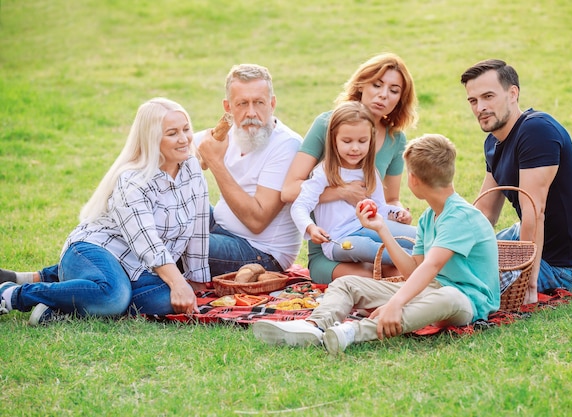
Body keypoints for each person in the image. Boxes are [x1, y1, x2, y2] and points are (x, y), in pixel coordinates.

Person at [252, 134, 500, 354]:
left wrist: (395, 303)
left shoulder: (462, 216)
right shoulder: (428, 217)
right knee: (346, 283)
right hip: (431, 289)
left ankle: (353, 333)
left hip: (468, 301)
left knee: (448, 297)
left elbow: (432, 266)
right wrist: (382, 228)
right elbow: (413, 270)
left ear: (412, 180)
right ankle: (314, 326)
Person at [0, 98, 211, 325]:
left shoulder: (191, 169)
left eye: (186, 129)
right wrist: (179, 283)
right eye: (172, 133)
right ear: (152, 139)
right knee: (114, 296)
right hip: (96, 250)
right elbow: (148, 243)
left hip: (138, 266)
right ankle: (12, 294)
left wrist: (196, 282)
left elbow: (198, 230)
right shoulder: (133, 181)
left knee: (167, 300)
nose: (184, 139)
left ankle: (66, 302)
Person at [460, 59, 572, 304]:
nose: (480, 107)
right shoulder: (493, 141)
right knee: (451, 262)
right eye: (473, 100)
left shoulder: (537, 131)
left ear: (513, 93)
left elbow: (535, 211)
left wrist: (528, 285)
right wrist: (454, 246)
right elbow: (485, 211)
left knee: (466, 287)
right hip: (521, 236)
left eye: (488, 96)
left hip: (560, 265)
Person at [281, 53, 418, 283]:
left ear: (400, 99)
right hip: (332, 246)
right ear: (361, 85)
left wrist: (398, 214)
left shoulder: (396, 139)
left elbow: (390, 199)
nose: (383, 94)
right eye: (377, 84)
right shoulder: (328, 124)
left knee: (402, 268)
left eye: (394, 90)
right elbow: (289, 191)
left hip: (372, 232)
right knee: (371, 278)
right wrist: (342, 191)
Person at [195, 64, 302, 277]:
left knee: (180, 242)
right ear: (228, 107)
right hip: (222, 228)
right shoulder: (230, 132)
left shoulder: (286, 145)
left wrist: (215, 163)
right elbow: (180, 151)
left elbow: (257, 221)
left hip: (260, 252)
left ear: (272, 103)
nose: (251, 112)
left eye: (259, 102)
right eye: (242, 103)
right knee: (168, 217)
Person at [291, 101, 415, 266]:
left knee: (415, 236)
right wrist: (310, 228)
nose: (355, 148)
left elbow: (380, 209)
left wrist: (397, 213)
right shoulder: (325, 172)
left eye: (362, 141)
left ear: (370, 140)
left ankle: (432, 257)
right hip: (338, 239)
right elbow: (299, 206)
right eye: (347, 141)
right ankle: (420, 262)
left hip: (367, 227)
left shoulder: (370, 172)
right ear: (334, 140)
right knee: (367, 248)